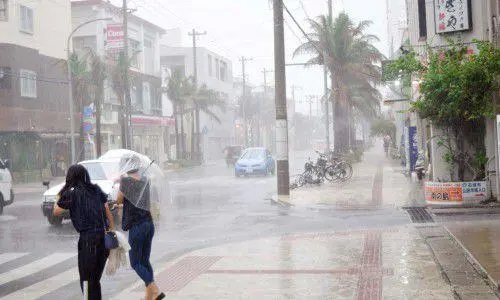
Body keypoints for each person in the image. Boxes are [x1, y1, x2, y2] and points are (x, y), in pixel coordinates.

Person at [53, 164, 114, 300]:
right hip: (103, 239)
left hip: (88, 240)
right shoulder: (96, 189)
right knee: (95, 280)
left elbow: (56, 211)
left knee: (86, 281)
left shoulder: (72, 193)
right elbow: (107, 211)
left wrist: (63, 191)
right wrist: (111, 233)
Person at [116, 155, 165, 300]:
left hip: (137, 227)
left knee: (135, 262)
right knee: (145, 261)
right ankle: (149, 296)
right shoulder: (145, 180)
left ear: (126, 167)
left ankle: (154, 289)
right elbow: (138, 201)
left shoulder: (126, 181)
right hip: (149, 223)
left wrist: (121, 183)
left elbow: (119, 199)